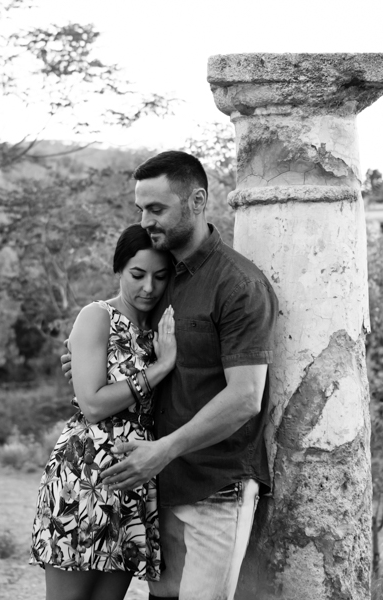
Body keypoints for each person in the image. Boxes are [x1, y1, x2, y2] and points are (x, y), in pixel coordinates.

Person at [64, 150, 278, 600]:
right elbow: (118, 343)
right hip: (157, 489)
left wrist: (161, 451)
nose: (146, 219)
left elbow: (245, 397)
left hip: (216, 488)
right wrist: (82, 361)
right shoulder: (160, 278)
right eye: (141, 208)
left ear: (198, 201)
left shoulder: (239, 285)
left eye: (156, 208)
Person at [30, 224, 178, 600]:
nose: (148, 287)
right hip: (85, 477)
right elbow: (94, 406)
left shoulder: (162, 327)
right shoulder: (97, 316)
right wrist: (160, 369)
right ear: (119, 270)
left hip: (134, 484)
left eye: (160, 277)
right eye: (137, 275)